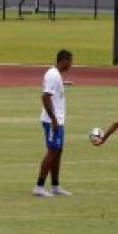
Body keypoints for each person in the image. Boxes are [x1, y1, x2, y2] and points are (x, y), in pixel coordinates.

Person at [35, 49, 73, 197]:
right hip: (52, 121)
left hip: (57, 120)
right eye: (70, 61)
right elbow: (45, 97)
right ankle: (39, 186)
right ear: (63, 60)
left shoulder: (56, 75)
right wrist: (54, 119)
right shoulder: (52, 75)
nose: (71, 65)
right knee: (52, 151)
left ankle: (55, 186)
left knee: (58, 151)